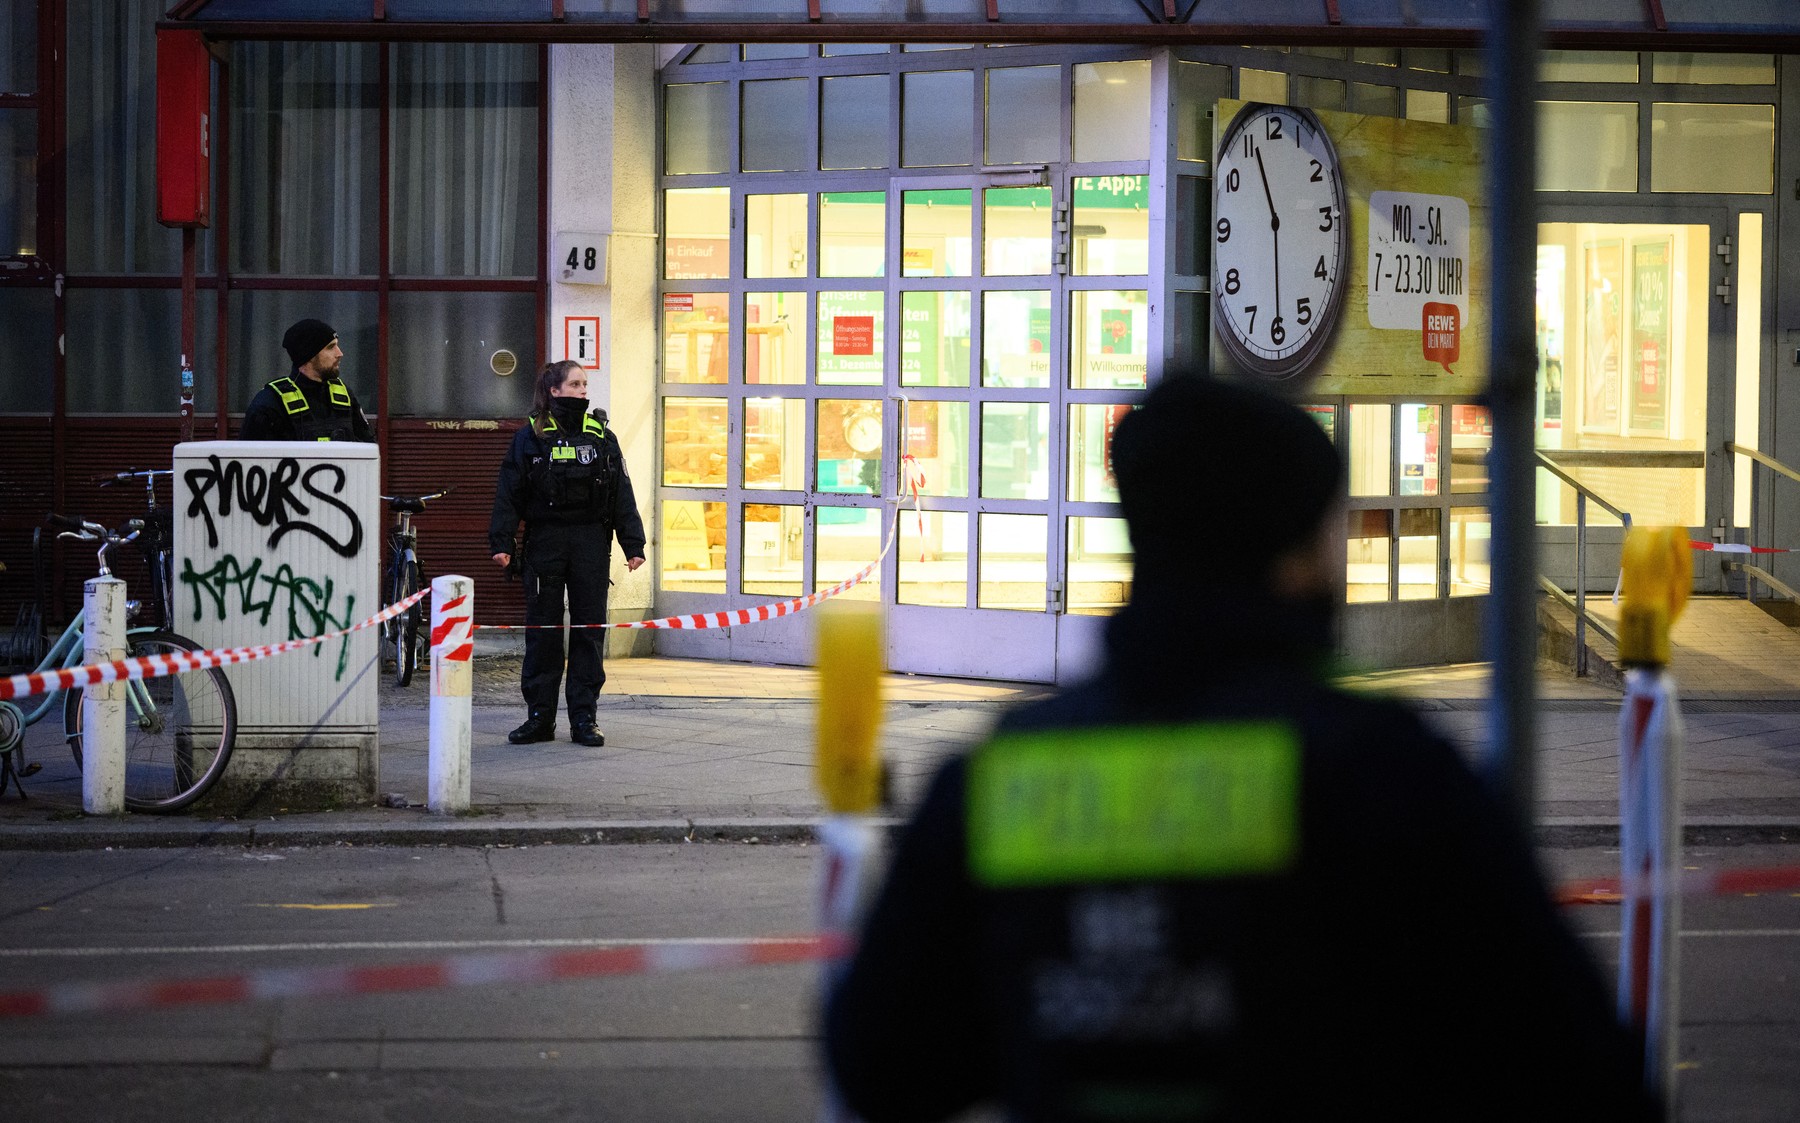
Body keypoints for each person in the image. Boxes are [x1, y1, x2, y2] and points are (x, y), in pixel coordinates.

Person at [823, 372, 1658, 1123]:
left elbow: (880, 1064)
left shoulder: (999, 774)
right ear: (1295, 556)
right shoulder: (1386, 772)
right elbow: (1581, 1072)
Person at [488, 359, 646, 748]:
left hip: (591, 542)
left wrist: (633, 544)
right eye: (574, 384)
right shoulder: (531, 436)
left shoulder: (601, 435)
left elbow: (621, 492)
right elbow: (509, 492)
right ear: (554, 390)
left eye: (584, 384)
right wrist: (502, 542)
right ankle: (540, 718)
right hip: (545, 542)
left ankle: (584, 719)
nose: (582, 390)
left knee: (589, 631)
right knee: (543, 631)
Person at [239, 318, 375, 442]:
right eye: (330, 347)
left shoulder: (344, 395)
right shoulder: (270, 403)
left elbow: (369, 449)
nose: (339, 353)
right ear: (308, 355)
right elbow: (250, 457)